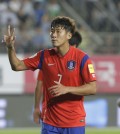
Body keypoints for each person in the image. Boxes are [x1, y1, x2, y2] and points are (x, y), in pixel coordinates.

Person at [3, 16, 97, 134]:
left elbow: (92, 88)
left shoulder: (82, 58)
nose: (53, 34)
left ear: (69, 35)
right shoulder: (44, 56)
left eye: (58, 31)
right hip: (50, 123)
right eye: (52, 31)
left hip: (74, 122)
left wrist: (66, 89)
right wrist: (10, 48)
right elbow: (17, 66)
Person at [33, 31, 82, 124]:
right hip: (62, 114)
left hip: (59, 114)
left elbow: (39, 84)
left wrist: (36, 107)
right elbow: (39, 85)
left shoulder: (80, 60)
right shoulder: (48, 59)